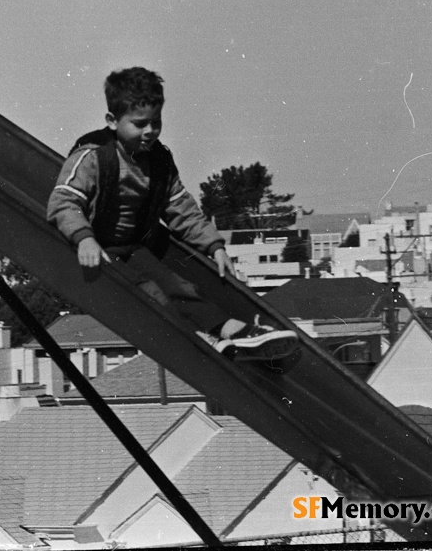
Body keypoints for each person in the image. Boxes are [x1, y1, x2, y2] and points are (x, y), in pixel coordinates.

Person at [47, 67, 297, 361]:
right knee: (149, 292)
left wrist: (213, 246)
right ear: (113, 121)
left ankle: (233, 332)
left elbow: (181, 207)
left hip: (134, 246)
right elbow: (63, 200)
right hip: (101, 250)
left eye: (156, 122)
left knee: (179, 286)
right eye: (139, 124)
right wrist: (84, 238)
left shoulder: (159, 159)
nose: (150, 131)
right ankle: (200, 338)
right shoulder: (94, 156)